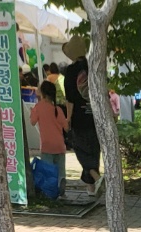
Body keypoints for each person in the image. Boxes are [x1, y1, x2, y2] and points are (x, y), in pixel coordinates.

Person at [62, 49, 101, 191]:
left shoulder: (71, 70)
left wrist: (68, 118)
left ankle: (96, 177)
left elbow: (70, 99)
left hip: (78, 116)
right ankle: (92, 188)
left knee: (80, 149)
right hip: (95, 115)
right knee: (94, 151)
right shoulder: (93, 66)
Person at [30, 80, 68, 195]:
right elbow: (66, 127)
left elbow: (32, 122)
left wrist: (32, 111)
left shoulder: (38, 107)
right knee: (60, 170)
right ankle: (61, 183)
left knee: (48, 171)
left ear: (42, 92)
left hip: (47, 145)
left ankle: (50, 192)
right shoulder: (58, 109)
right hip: (60, 145)